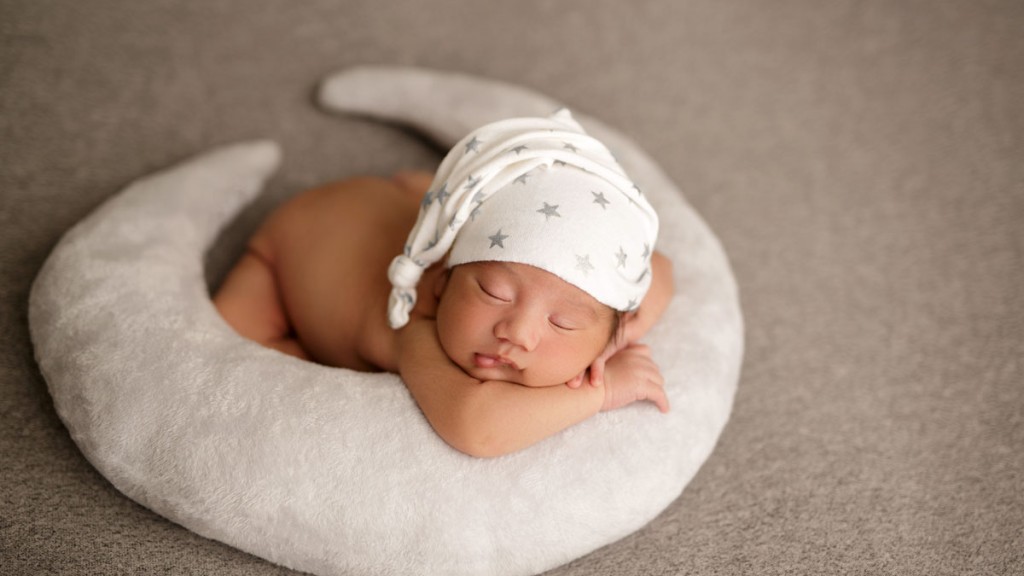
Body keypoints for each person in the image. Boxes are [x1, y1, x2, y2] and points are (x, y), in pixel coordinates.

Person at [214, 110, 673, 457]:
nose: (516, 331)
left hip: (384, 206)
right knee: (234, 336)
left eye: (564, 322)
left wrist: (614, 340)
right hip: (288, 243)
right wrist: (602, 391)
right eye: (494, 293)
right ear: (439, 285)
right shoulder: (415, 325)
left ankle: (415, 189)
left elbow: (663, 269)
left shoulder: (609, 304)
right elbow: (477, 428)